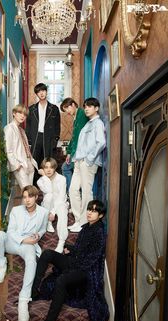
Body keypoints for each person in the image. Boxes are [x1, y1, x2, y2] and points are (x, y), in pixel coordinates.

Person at [29, 200, 109, 321]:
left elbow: (91, 259)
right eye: (89, 209)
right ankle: (33, 292)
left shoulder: (99, 232)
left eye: (94, 211)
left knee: (61, 280)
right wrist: (71, 249)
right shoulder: (86, 228)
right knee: (47, 254)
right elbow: (81, 250)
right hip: (75, 262)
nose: (90, 212)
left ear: (101, 215)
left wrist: (71, 264)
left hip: (86, 271)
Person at [0, 185, 49, 321]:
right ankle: (1, 266)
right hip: (15, 241)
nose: (27, 200)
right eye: (24, 197)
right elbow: (11, 231)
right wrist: (24, 239)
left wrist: (37, 236)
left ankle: (24, 300)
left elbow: (42, 229)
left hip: (28, 245)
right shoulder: (16, 210)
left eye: (30, 196)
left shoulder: (43, 212)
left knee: (31, 261)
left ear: (36, 197)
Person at [69, 98, 106, 232]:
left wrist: (89, 159)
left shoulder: (98, 123)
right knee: (73, 190)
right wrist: (76, 158)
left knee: (86, 192)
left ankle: (84, 223)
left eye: (90, 106)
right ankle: (79, 219)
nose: (86, 108)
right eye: (85, 106)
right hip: (79, 161)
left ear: (96, 108)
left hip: (88, 162)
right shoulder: (88, 124)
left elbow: (101, 142)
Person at [25, 83, 61, 171]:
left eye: (43, 91)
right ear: (36, 94)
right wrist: (29, 142)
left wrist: (55, 140)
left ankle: (48, 183)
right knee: (34, 162)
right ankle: (35, 183)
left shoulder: (54, 108)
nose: (41, 93)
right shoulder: (31, 109)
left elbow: (57, 126)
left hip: (49, 138)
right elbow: (28, 126)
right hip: (35, 138)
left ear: (46, 92)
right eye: (39, 91)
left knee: (48, 162)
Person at [37, 157, 68, 253]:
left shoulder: (62, 179)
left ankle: (61, 242)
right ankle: (48, 222)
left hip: (60, 202)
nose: (49, 170)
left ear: (55, 168)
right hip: (48, 204)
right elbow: (49, 190)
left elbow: (61, 197)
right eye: (46, 167)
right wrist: (44, 177)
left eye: (51, 167)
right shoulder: (40, 181)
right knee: (49, 196)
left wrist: (53, 212)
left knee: (62, 210)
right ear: (43, 169)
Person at [4, 104, 38, 189]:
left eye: (25, 114)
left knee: (29, 191)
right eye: (20, 113)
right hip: (20, 165)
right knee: (26, 191)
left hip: (28, 163)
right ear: (14, 113)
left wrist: (31, 162)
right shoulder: (9, 128)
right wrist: (16, 165)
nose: (22, 116)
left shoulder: (22, 130)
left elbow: (25, 147)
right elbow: (8, 149)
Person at [60, 98, 88, 194]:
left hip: (81, 152)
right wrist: (68, 153)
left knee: (65, 168)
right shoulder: (76, 117)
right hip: (76, 151)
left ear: (72, 104)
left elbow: (79, 137)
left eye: (67, 108)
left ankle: (70, 192)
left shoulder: (82, 114)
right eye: (65, 110)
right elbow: (74, 137)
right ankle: (72, 192)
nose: (67, 112)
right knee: (65, 167)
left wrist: (71, 153)